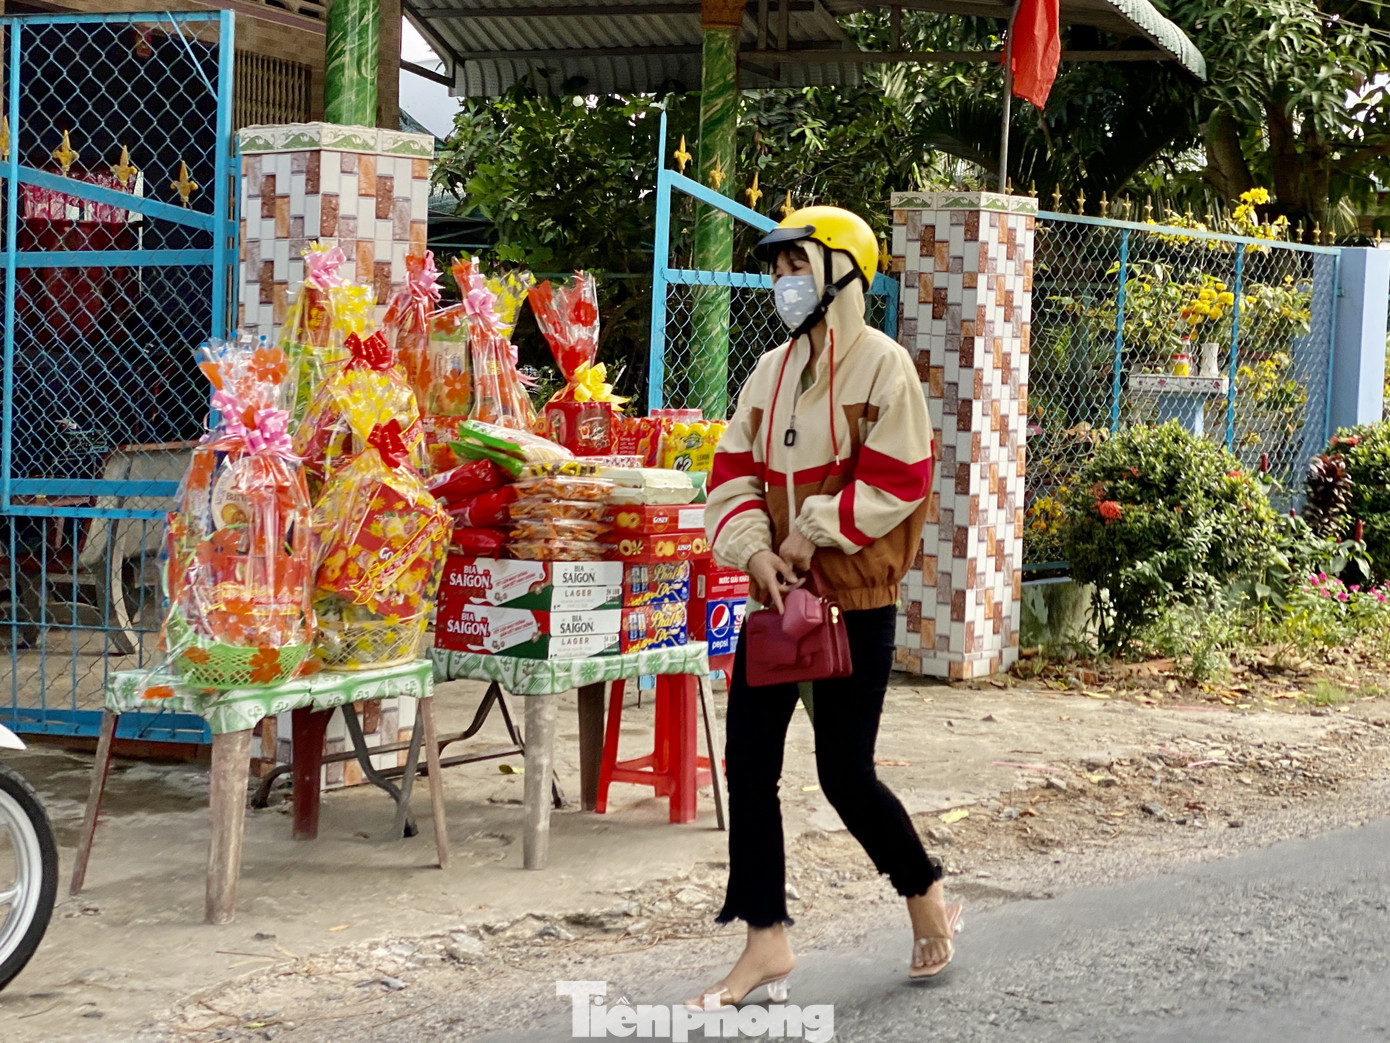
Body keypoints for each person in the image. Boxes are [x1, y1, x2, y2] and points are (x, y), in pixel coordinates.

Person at [695, 206, 960, 1008]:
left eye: (796, 266)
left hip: (853, 595)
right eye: (777, 269)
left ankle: (923, 891)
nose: (782, 282)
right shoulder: (768, 372)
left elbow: (899, 477)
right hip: (777, 597)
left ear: (842, 272)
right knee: (748, 763)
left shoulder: (885, 367)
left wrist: (812, 534)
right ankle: (765, 938)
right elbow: (731, 476)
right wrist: (756, 551)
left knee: (845, 773)